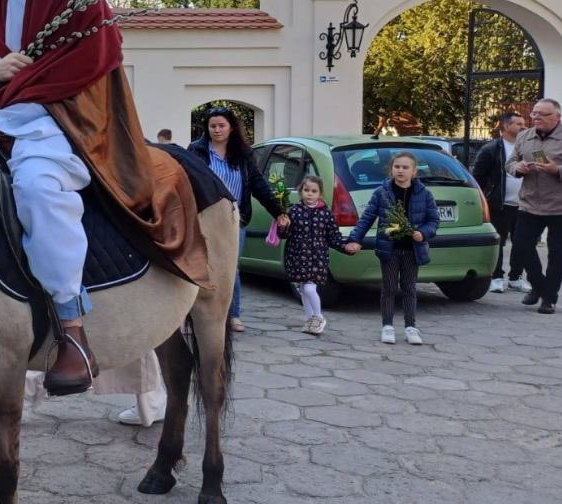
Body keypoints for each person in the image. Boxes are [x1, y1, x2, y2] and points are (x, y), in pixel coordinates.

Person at [0, 0, 210, 395]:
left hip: (58, 126)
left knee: (40, 189)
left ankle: (73, 331)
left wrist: (9, 118)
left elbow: (85, 71)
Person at [188, 107, 288, 332]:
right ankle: (195, 315)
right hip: (204, 219)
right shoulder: (197, 150)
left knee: (231, 269)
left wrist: (278, 211)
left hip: (235, 221)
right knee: (200, 266)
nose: (217, 130)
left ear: (231, 127)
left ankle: (232, 315)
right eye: (212, 126)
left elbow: (257, 184)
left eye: (221, 125)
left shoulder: (244, 153)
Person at [506, 98, 562, 314]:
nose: (537, 117)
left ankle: (549, 298)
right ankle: (538, 285)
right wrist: (517, 168)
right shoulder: (524, 136)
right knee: (521, 246)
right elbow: (510, 163)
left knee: (557, 255)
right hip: (530, 204)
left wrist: (559, 170)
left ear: (558, 117)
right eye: (534, 114)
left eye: (543, 114)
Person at [346, 151, 440, 345]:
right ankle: (387, 326)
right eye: (397, 167)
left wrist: (423, 232)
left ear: (414, 171)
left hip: (413, 250)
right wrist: (355, 239)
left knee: (409, 289)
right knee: (388, 288)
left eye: (405, 167)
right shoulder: (382, 192)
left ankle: (410, 327)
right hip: (389, 249)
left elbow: (433, 221)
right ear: (391, 169)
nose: (400, 170)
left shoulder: (424, 194)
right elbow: (367, 218)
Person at [279, 176, 355, 336]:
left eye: (314, 191)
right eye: (306, 190)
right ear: (300, 192)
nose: (309, 194)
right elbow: (284, 234)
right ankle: (309, 320)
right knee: (303, 290)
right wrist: (283, 227)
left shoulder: (325, 214)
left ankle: (318, 316)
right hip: (297, 258)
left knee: (309, 287)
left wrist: (345, 247)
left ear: (320, 193)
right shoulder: (293, 211)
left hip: (317, 258)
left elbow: (333, 237)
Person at [472, 111, 530, 293]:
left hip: (526, 205)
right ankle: (496, 277)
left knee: (523, 242)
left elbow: (543, 166)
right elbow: (478, 178)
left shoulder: (531, 146)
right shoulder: (490, 149)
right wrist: (484, 201)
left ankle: (516, 278)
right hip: (499, 204)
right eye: (519, 124)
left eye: (524, 124)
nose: (524, 127)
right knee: (498, 242)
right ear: (506, 126)